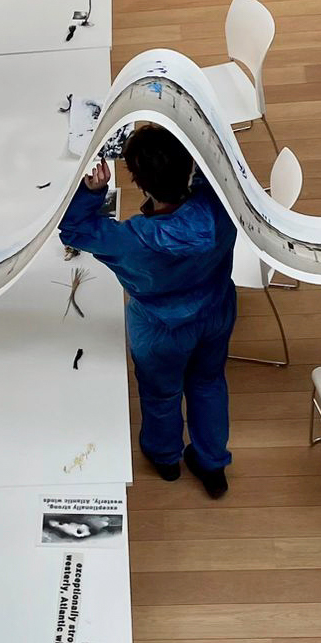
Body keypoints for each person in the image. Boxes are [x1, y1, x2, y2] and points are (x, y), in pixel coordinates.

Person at [60, 124, 237, 497]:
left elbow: (73, 229)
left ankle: (165, 458)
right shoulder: (221, 207)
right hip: (216, 311)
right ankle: (212, 464)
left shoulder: (130, 242)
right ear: (190, 165)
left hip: (160, 329)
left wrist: (94, 192)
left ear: (140, 183)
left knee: (161, 394)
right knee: (208, 383)